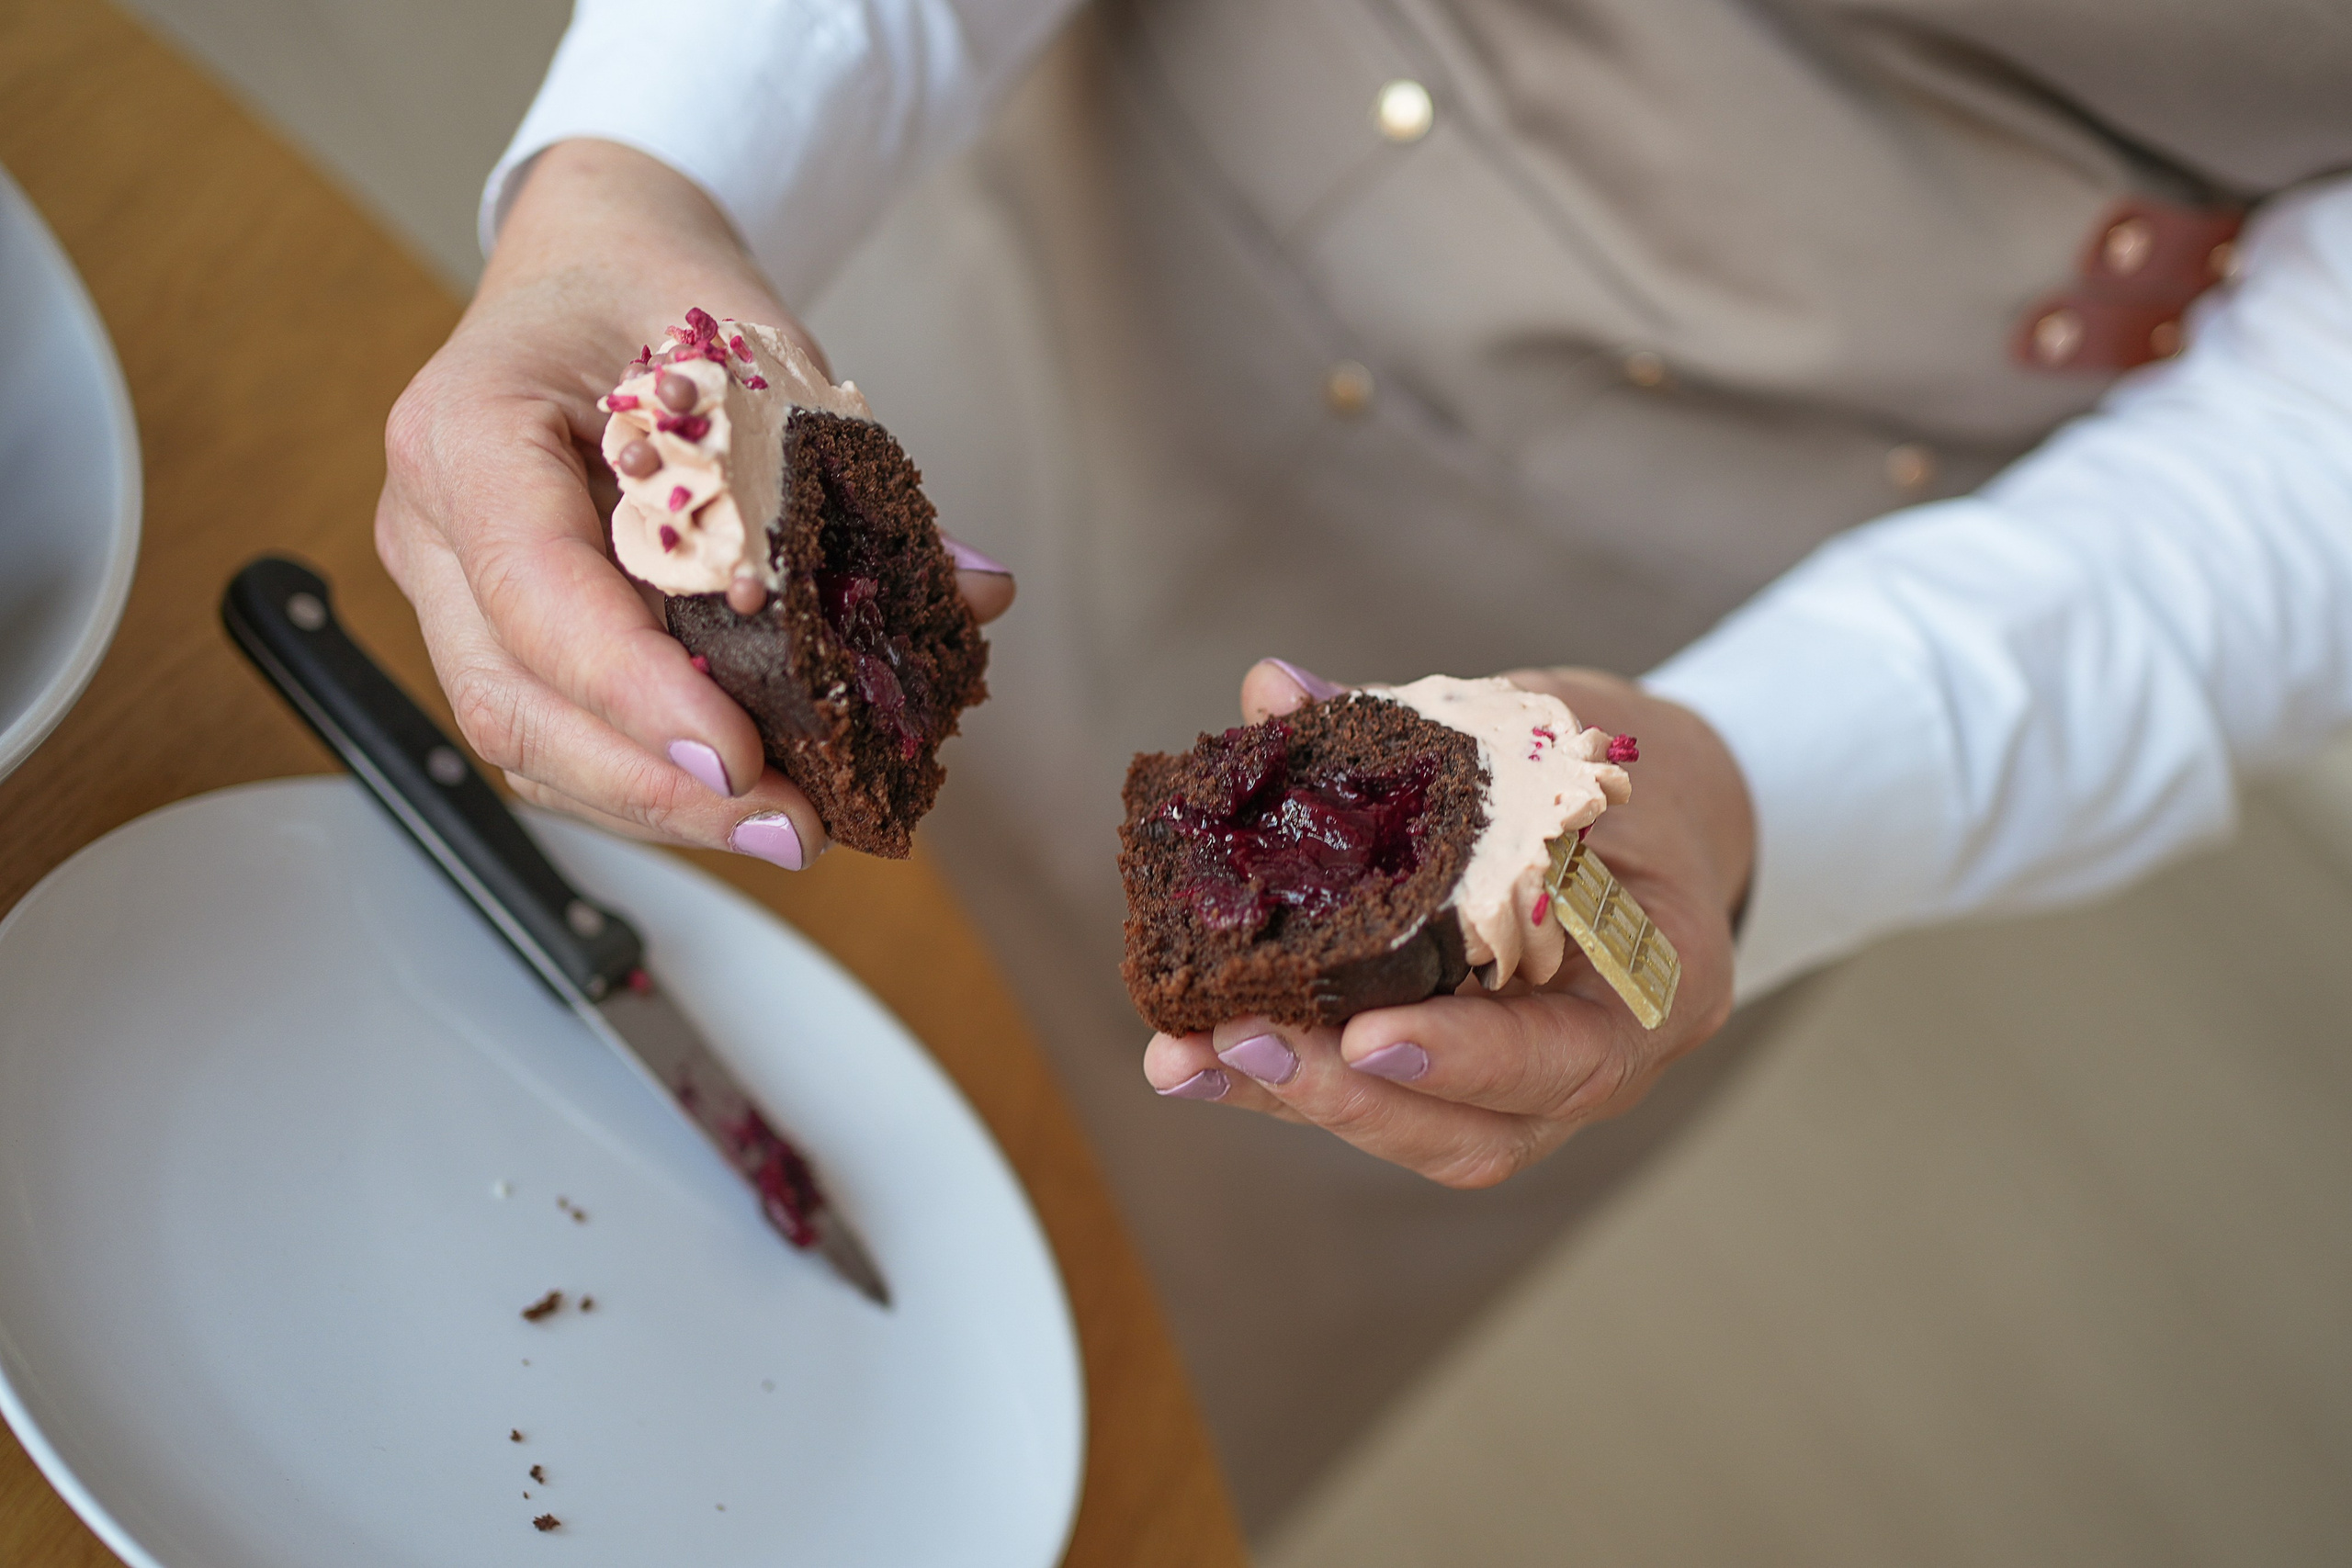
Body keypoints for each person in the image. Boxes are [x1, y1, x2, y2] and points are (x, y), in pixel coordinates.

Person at [376, 0, 2352, 1525]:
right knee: (424, 1107)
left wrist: (1763, 773)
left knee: (971, 1440)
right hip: (970, 355)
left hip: (1684, 705)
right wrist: (641, 177)